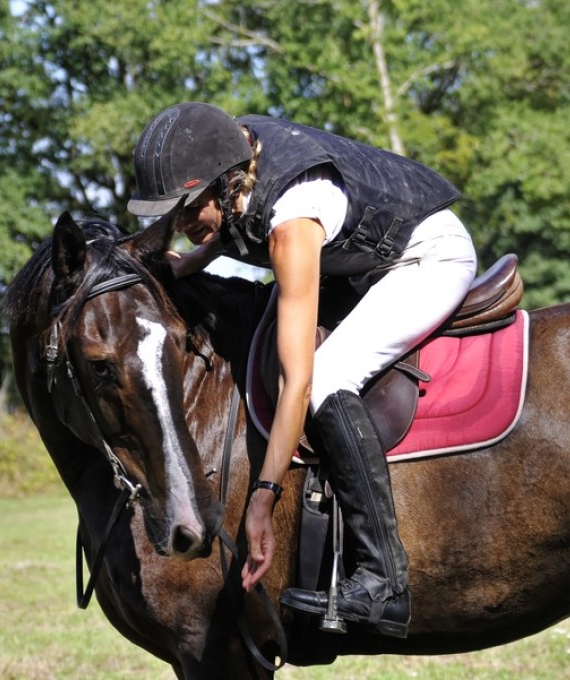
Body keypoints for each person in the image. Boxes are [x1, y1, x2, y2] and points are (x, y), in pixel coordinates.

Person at [127, 102, 477, 639]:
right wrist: (189, 262)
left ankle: (384, 577)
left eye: (186, 208)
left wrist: (263, 497)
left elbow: (298, 383)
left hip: (428, 258)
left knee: (330, 374)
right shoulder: (237, 158)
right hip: (365, 259)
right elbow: (232, 223)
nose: (178, 224)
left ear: (223, 184)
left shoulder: (292, 222)